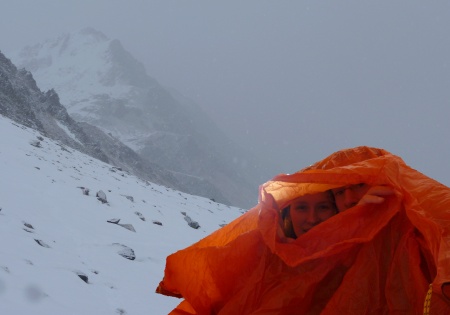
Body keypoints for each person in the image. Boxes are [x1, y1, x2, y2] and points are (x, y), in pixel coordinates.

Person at [156, 146, 450, 314]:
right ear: (286, 212)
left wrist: (378, 206)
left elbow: (431, 217)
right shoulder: (262, 246)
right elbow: (216, 287)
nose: (311, 218)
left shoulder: (357, 247)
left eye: (322, 208)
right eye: (301, 208)